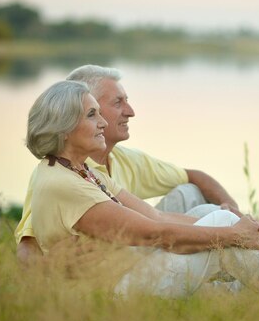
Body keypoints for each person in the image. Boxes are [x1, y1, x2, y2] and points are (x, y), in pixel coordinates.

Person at [25, 80, 259, 297]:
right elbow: (155, 234)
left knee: (216, 218)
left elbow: (156, 217)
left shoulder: (82, 171)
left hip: (124, 278)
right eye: (92, 115)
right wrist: (233, 233)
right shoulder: (62, 184)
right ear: (63, 127)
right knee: (223, 226)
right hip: (113, 296)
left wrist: (241, 228)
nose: (103, 122)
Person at [16, 65, 243, 266]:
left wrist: (235, 219)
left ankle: (252, 274)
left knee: (199, 201)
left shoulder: (107, 166)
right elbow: (28, 247)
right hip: (124, 262)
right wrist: (51, 268)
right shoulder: (56, 178)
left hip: (139, 241)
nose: (131, 111)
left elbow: (163, 210)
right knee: (216, 224)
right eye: (118, 102)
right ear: (75, 111)